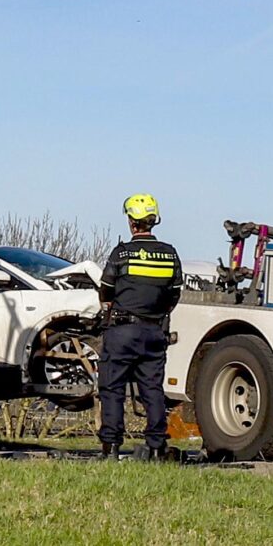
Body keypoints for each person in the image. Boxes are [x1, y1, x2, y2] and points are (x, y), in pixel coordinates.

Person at [97, 192, 183, 461]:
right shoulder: (170, 254)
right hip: (155, 332)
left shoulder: (122, 253)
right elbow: (174, 294)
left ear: (132, 222)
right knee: (152, 390)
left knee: (112, 388)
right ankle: (156, 448)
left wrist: (110, 306)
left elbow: (106, 289)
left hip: (122, 331)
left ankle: (111, 447)